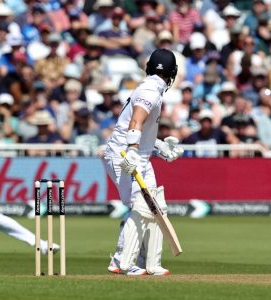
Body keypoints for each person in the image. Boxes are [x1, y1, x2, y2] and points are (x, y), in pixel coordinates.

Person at [104, 49, 183, 276]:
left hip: (138, 155)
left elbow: (140, 126)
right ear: (172, 72)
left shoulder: (151, 87)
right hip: (126, 155)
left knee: (156, 205)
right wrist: (131, 152)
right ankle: (121, 260)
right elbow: (136, 120)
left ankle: (150, 262)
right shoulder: (150, 89)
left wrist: (160, 147)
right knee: (140, 207)